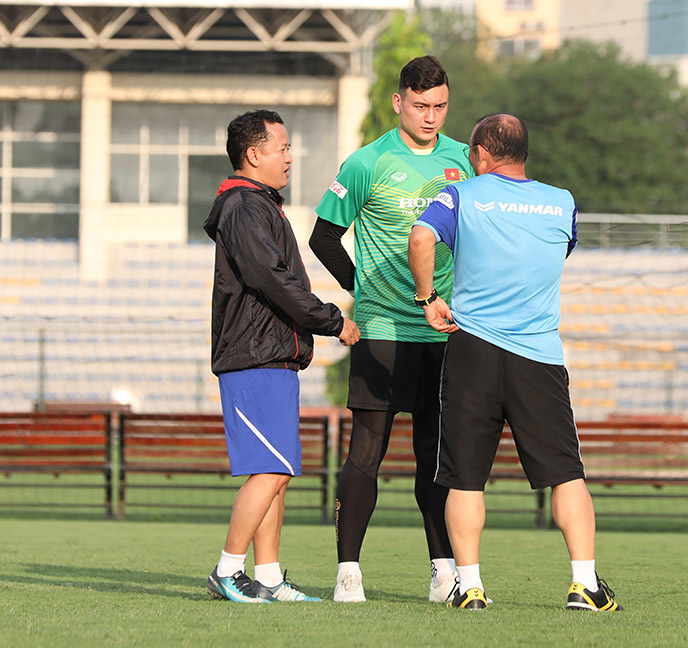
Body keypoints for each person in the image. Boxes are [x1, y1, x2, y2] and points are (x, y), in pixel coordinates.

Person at [408, 114, 623, 612]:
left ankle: (471, 587)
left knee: (465, 476)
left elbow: (420, 239)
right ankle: (584, 585)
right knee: (566, 473)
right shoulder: (562, 202)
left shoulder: (462, 196)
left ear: (482, 152)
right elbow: (555, 252)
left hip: (472, 350)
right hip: (539, 357)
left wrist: (427, 298)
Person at [310, 55, 473, 603]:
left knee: (435, 454)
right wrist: (365, 289)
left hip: (442, 330)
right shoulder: (367, 161)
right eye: (421, 105)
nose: (431, 116)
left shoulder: (462, 161)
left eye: (441, 106)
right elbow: (323, 239)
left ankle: (444, 572)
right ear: (399, 101)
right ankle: (348, 572)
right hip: (382, 329)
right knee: (367, 450)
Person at [204, 109, 360, 604]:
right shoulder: (244, 207)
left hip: (271, 354)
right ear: (254, 155)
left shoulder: (257, 204)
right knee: (271, 467)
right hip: (253, 356)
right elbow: (272, 278)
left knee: (277, 470)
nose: (291, 158)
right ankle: (228, 571)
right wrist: (332, 320)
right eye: (283, 148)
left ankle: (267, 577)